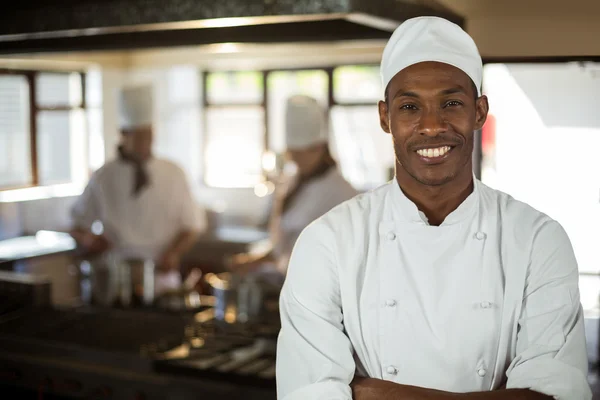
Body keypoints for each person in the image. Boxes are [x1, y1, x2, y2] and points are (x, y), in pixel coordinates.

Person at [276, 17, 591, 400]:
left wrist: (377, 393)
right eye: (410, 106)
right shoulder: (328, 242)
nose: (431, 126)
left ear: (479, 112)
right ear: (384, 117)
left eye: (451, 103)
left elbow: (556, 393)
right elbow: (307, 393)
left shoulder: (539, 239)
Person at [70, 85, 205, 293]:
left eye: (149, 135)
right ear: (123, 134)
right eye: (140, 135)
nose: (147, 142)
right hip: (116, 276)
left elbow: (192, 225)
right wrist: (90, 240)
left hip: (161, 276)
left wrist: (174, 253)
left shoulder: (173, 172)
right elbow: (77, 224)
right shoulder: (104, 176)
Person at [230, 95, 357, 277]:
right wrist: (253, 261)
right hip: (289, 284)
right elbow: (284, 246)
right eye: (293, 153)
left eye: (301, 153)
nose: (296, 160)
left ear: (319, 148)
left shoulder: (341, 192)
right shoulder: (293, 181)